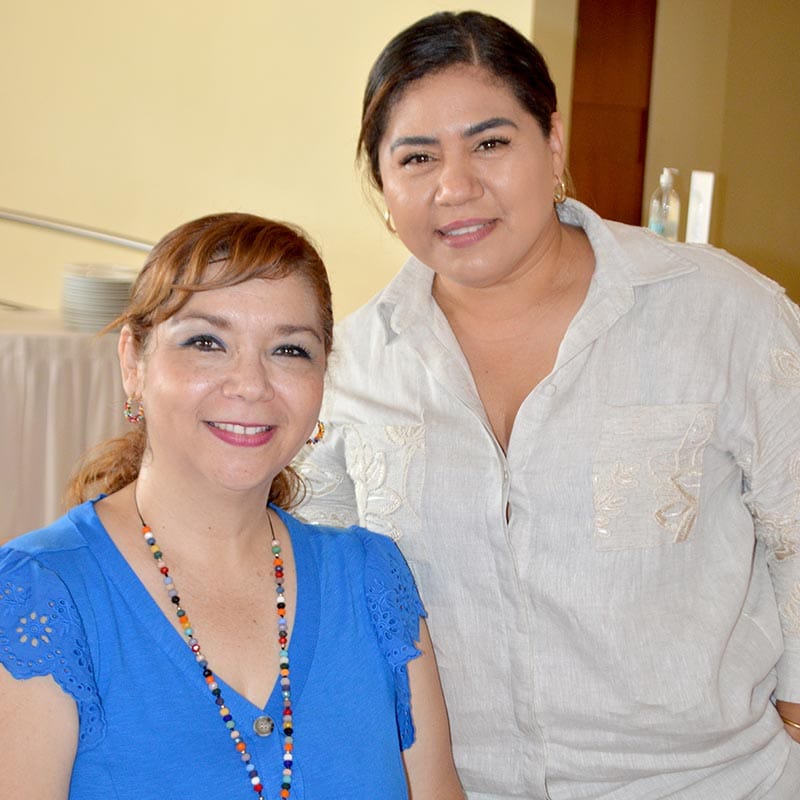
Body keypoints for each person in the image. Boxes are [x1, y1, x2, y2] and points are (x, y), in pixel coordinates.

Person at [296, 10, 800, 800]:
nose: (455, 187)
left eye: (490, 143)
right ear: (382, 183)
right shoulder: (349, 367)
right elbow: (316, 594)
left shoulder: (719, 312)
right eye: (417, 157)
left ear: (553, 143)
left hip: (711, 780)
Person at [0, 212, 465, 800]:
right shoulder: (41, 596)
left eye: (290, 349)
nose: (251, 384)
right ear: (133, 363)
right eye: (206, 342)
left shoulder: (371, 580)